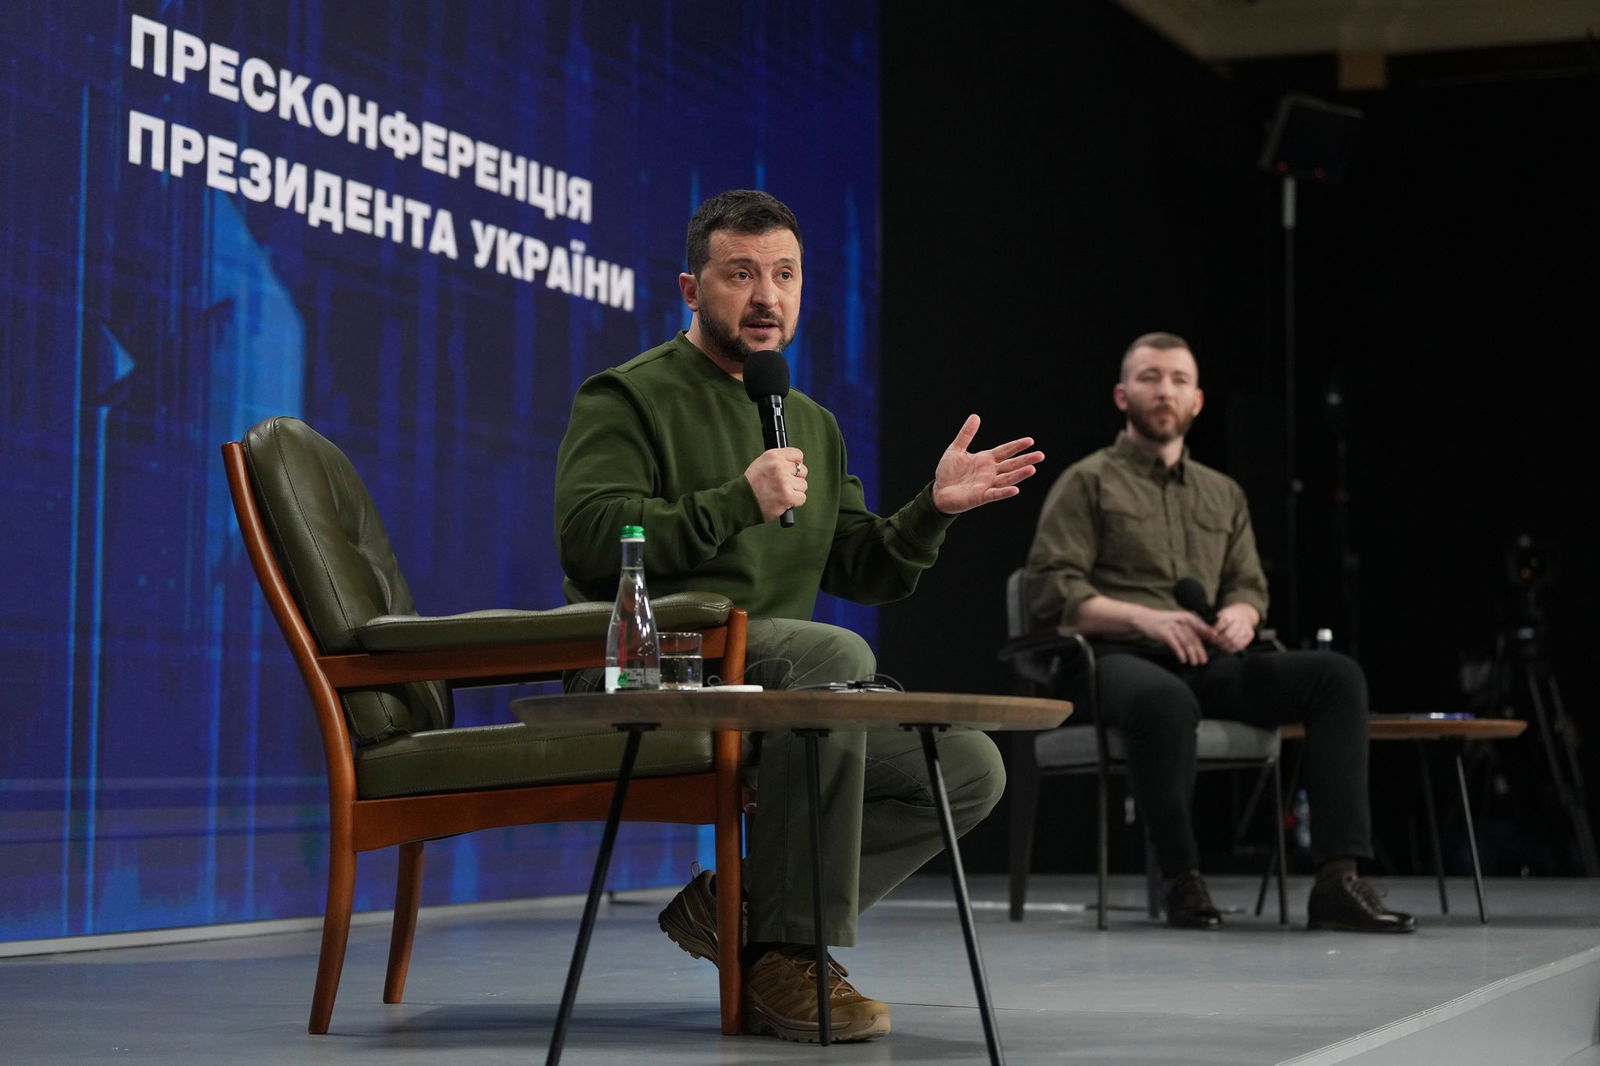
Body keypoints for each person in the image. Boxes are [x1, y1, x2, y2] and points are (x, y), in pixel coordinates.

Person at [553, 189, 1045, 1042]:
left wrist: (933, 508)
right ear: (689, 287)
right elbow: (591, 538)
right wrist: (733, 501)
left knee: (967, 769)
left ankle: (733, 909)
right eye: (740, 274)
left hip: (776, 673)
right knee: (832, 653)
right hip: (658, 664)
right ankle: (787, 954)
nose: (766, 297)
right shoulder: (628, 396)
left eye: (784, 275)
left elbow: (865, 566)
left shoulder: (810, 422)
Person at [1024, 331, 1414, 934]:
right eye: (1150, 377)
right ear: (1122, 395)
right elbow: (1052, 592)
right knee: (1163, 700)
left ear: (1198, 401)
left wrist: (1243, 615)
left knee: (1336, 677)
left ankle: (1338, 879)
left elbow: (1249, 584)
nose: (1165, 390)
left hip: (1207, 658)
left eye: (1179, 380)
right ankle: (1183, 881)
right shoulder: (1088, 482)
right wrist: (1146, 617)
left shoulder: (1223, 493)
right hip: (1113, 657)